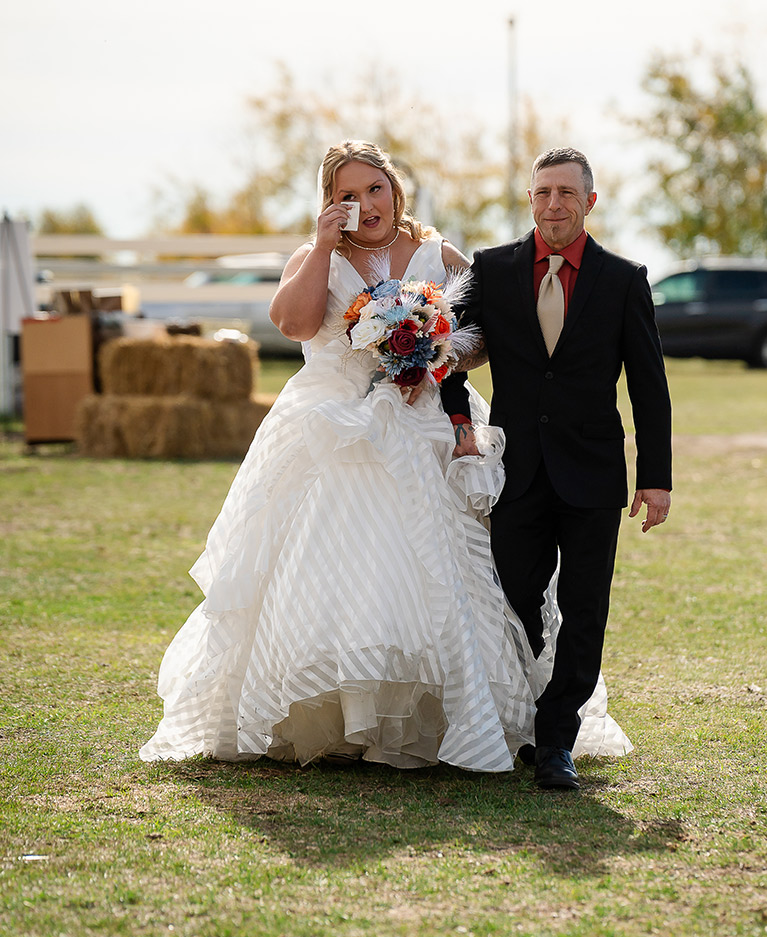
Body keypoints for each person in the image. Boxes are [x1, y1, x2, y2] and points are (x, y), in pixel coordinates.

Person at [140, 140, 631, 772]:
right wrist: (321, 247)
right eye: (347, 195)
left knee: (456, 570)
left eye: (375, 189)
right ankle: (334, 714)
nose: (365, 204)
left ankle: (454, 715)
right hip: (333, 428)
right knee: (336, 565)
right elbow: (293, 323)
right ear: (331, 203)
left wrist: (434, 350)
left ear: (394, 190)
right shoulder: (314, 255)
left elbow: (480, 340)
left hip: (426, 420)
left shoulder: (437, 254)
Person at [456, 146, 672, 790]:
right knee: (514, 594)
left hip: (594, 472)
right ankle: (522, 710)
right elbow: (445, 351)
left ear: (590, 201)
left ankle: (555, 739)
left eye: (567, 194)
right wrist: (459, 421)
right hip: (514, 469)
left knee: (584, 608)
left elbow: (649, 384)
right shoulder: (491, 270)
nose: (554, 204)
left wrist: (654, 477)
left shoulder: (624, 278)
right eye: (543, 192)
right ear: (530, 199)